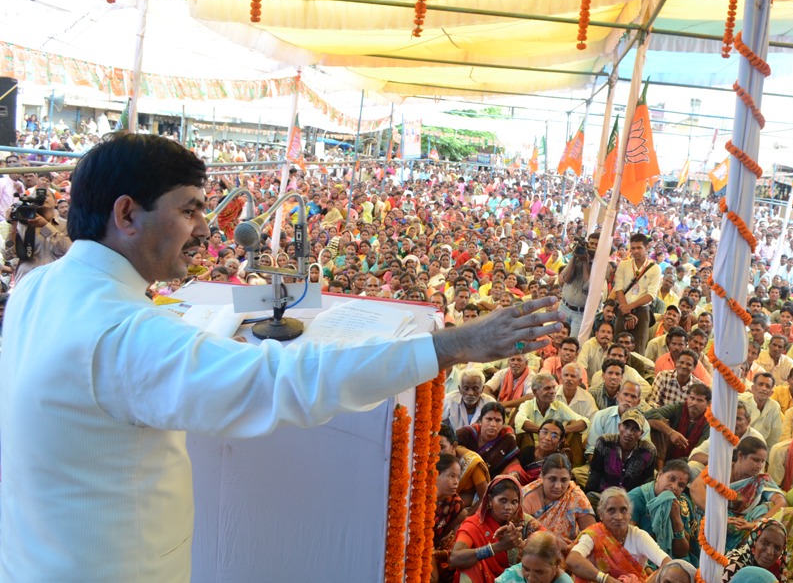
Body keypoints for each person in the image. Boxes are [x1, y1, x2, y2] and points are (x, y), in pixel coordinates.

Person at [0, 134, 564, 581]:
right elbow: (283, 381)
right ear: (127, 214)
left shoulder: (38, 287)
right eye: (190, 210)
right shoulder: (121, 333)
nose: (206, 228)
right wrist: (451, 345)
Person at [690, 436, 787, 549]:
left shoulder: (762, 480)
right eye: (755, 460)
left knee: (769, 506)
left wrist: (757, 524)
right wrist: (719, 516)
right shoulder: (720, 468)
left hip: (741, 526)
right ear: (740, 456)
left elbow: (781, 502)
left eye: (762, 461)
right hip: (714, 517)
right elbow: (695, 488)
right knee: (708, 500)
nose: (759, 466)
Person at [451, 475, 546, 583]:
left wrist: (524, 546)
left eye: (514, 502)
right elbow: (455, 558)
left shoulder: (523, 522)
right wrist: (497, 547)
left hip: (515, 579)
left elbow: (548, 539)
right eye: (503, 500)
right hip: (484, 578)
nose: (508, 507)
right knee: (470, 566)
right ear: (490, 500)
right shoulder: (474, 524)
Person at [566, 487, 672, 582]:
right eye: (611, 510)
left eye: (623, 510)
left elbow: (668, 563)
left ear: (630, 514)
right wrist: (606, 579)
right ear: (601, 514)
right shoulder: (593, 535)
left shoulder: (639, 536)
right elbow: (573, 559)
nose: (618, 517)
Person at [628, 459, 696, 563]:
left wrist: (676, 520)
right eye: (671, 479)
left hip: (673, 561)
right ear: (659, 475)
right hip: (643, 559)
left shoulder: (681, 503)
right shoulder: (636, 498)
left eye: (681, 485)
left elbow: (682, 553)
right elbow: (630, 541)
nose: (674, 487)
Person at [521, 454, 595, 546]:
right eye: (552, 479)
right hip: (534, 550)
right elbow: (519, 536)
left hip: (569, 551)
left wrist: (573, 547)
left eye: (564, 480)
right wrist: (556, 543)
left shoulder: (574, 495)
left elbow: (591, 535)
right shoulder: (527, 497)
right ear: (542, 476)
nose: (558, 486)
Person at [584, 410, 657, 496]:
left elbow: (647, 482)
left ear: (641, 433)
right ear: (619, 426)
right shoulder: (605, 443)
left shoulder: (648, 450)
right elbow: (595, 473)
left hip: (630, 499)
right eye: (626, 427)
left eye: (635, 429)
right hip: (603, 495)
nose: (629, 433)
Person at [458, 402, 528, 483]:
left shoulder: (507, 440)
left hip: (490, 482)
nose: (493, 424)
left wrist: (499, 479)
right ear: (480, 420)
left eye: (498, 420)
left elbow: (514, 461)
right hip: (461, 480)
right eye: (489, 419)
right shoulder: (466, 433)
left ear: (503, 424)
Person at [434, 452, 468, 583]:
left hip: (441, 548)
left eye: (458, 477)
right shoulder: (421, 497)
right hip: (419, 544)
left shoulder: (456, 504)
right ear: (436, 474)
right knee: (432, 578)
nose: (456, 482)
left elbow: (460, 538)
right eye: (451, 476)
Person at [440, 423, 491, 509]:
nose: (435, 452)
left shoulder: (472, 462)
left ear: (454, 446)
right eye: (432, 447)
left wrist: (467, 519)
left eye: (441, 447)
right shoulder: (429, 461)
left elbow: (485, 498)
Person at [721, 519, 789, 583]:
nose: (770, 552)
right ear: (754, 541)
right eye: (765, 543)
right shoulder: (734, 566)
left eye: (777, 548)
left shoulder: (777, 567)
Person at [495, 531, 573, 583]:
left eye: (539, 572)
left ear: (556, 565)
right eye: (526, 569)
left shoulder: (564, 581)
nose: (530, 579)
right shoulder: (510, 578)